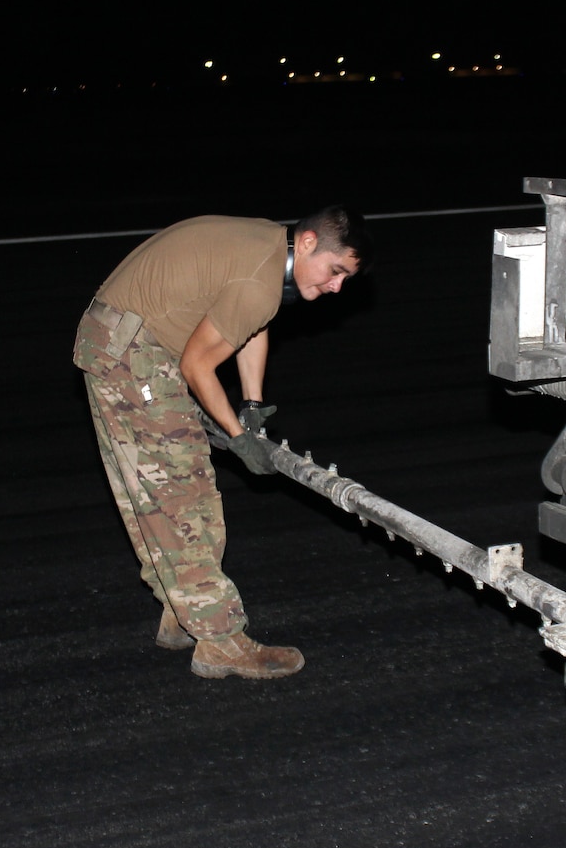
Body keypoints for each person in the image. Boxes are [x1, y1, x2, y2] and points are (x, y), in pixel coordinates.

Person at [72, 206, 368, 680]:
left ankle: (181, 609)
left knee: (154, 494)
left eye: (345, 280)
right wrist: (237, 437)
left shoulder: (272, 251)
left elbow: (251, 327)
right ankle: (219, 640)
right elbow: (197, 365)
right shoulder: (259, 275)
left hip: (114, 339)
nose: (337, 287)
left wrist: (251, 407)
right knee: (183, 496)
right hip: (135, 353)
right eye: (336, 272)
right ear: (309, 242)